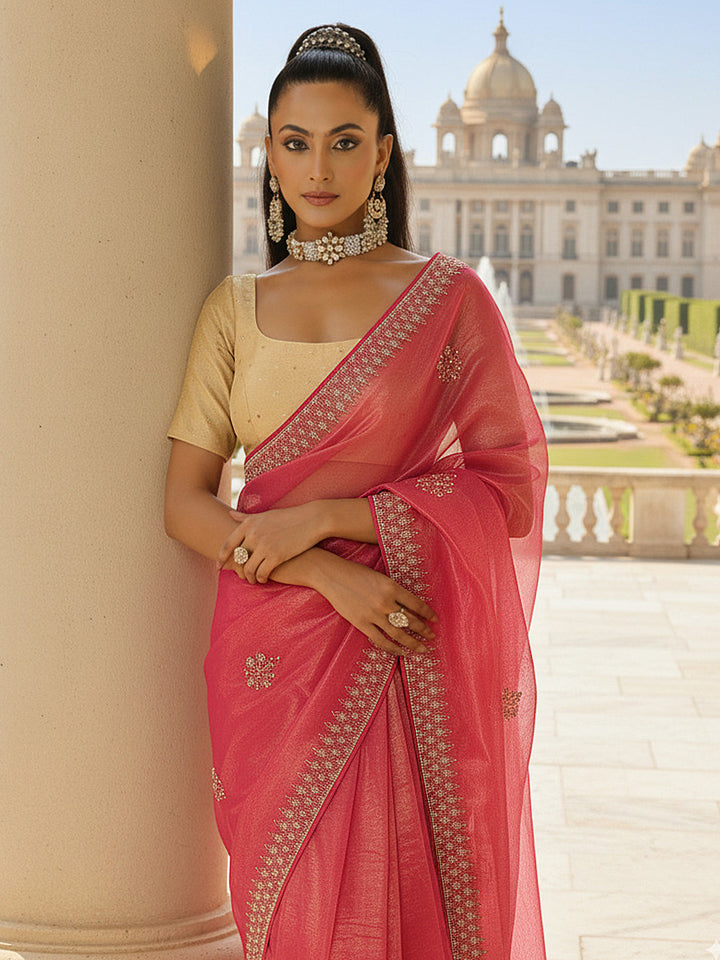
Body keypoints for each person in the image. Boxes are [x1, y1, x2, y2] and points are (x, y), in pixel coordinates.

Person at [164, 23, 548, 960]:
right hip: (278, 659)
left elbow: (511, 489)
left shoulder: (450, 299)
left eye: (345, 142)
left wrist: (332, 518)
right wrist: (332, 576)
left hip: (409, 642)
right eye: (294, 142)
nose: (318, 167)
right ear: (269, 154)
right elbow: (184, 503)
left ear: (383, 154)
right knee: (298, 911)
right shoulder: (234, 308)